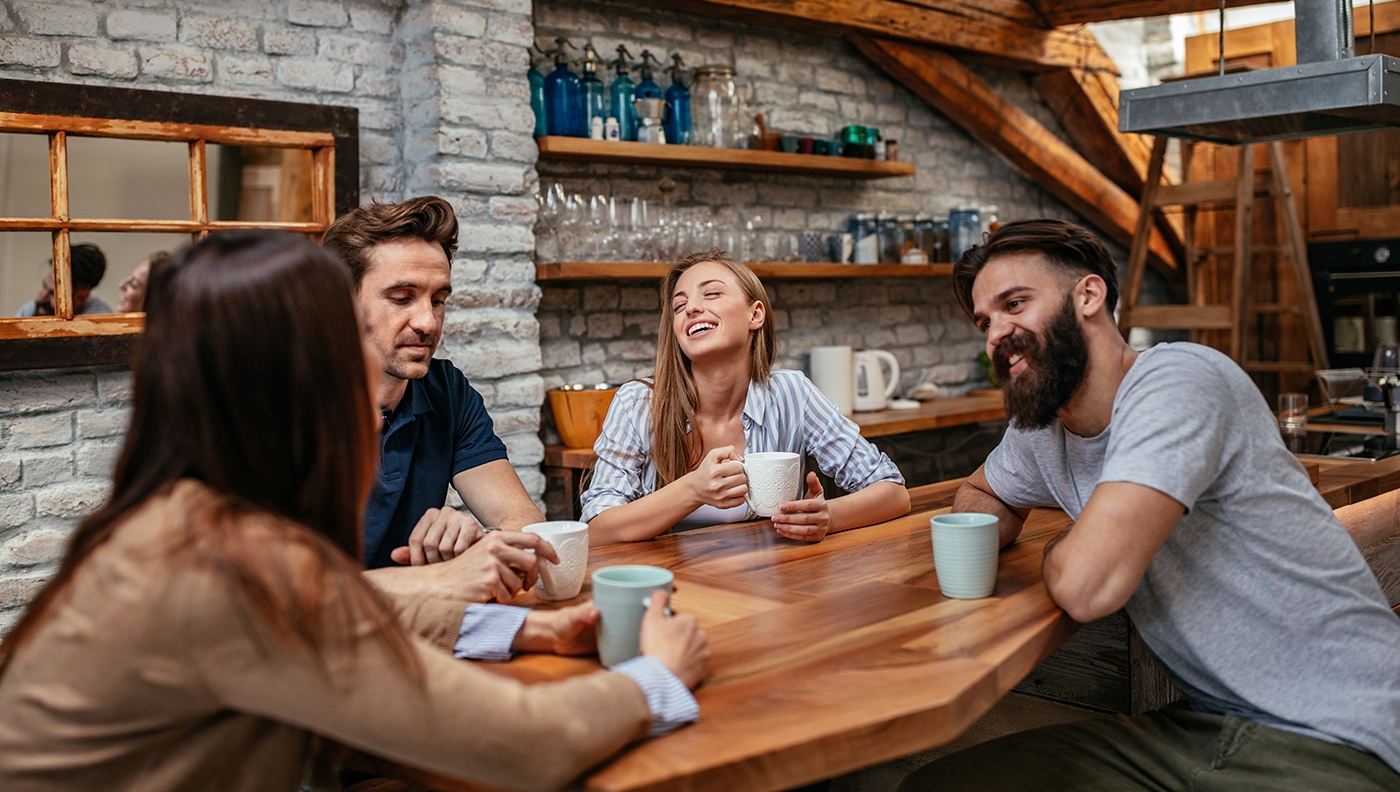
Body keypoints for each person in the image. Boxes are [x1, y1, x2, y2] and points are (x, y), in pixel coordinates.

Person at [0, 230, 708, 791]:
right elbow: (528, 742)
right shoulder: (226, 563)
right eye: (348, 353)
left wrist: (528, 633)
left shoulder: (189, 517)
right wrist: (655, 677)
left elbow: (331, 608)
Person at [896, 219, 1400, 791]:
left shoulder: (1178, 381)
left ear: (1089, 295)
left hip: (1343, 727)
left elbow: (1089, 586)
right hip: (1209, 722)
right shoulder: (1043, 425)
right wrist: (1018, 536)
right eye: (985, 321)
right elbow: (982, 491)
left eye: (1015, 303)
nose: (995, 334)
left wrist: (1072, 543)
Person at [582, 250, 911, 546]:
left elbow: (893, 493)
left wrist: (827, 517)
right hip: (672, 591)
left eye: (711, 294)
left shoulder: (790, 394)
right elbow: (598, 528)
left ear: (755, 315)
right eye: (679, 306)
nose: (692, 308)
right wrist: (693, 489)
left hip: (775, 588)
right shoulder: (638, 403)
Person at [323, 197, 549, 600]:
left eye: (438, 300)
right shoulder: (285, 403)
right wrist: (436, 579)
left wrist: (478, 542)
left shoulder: (448, 391)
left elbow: (523, 522)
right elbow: (284, 593)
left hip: (423, 628)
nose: (428, 322)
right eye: (401, 298)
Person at [15, 243, 112, 316]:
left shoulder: (99, 319)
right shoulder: (31, 309)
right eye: (44, 286)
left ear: (81, 297)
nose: (41, 297)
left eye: (54, 294)